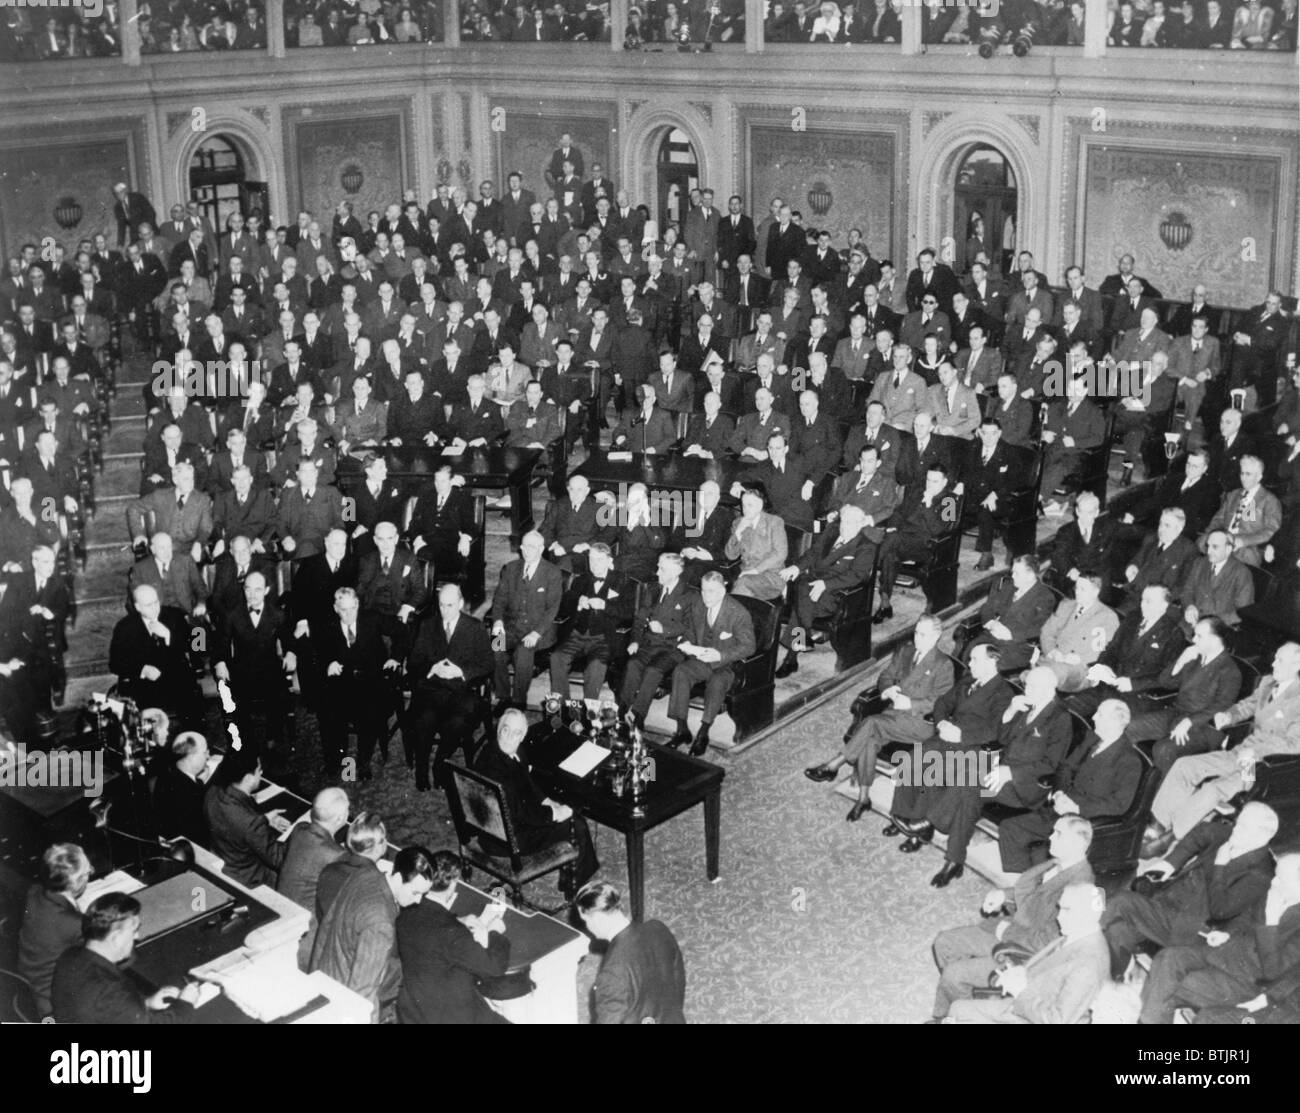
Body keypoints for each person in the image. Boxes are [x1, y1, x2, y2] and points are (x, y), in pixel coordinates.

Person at [1144, 644, 1300, 848]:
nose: (1273, 663)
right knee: (1185, 766)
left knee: (1214, 789)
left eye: (1279, 660)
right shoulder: (1268, 683)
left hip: (1261, 767)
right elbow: (1249, 705)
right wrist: (1230, 715)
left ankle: (1172, 836)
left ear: (1297, 664)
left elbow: (1295, 744)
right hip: (1240, 753)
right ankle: (1158, 825)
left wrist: (1257, 751)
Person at [805, 615, 954, 820]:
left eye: (923, 634)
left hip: (920, 722)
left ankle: (835, 764)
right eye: (916, 632)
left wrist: (911, 703)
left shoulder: (943, 664)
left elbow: (942, 702)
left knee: (871, 723)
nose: (917, 638)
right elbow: (885, 676)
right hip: (893, 715)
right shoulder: (905, 651)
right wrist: (888, 689)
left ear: (936, 636)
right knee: (869, 740)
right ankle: (863, 798)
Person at [1105, 802, 1279, 976]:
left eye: (1243, 827)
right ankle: (1113, 976)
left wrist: (1220, 865)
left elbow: (1221, 910)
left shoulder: (1260, 875)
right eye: (1238, 822)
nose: (1235, 829)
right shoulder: (1231, 836)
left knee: (1121, 900)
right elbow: (1201, 832)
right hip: (1164, 903)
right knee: (1117, 931)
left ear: (1262, 835)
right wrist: (1170, 863)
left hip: (1186, 927)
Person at [1148, 851, 1300, 1026]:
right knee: (1168, 958)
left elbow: (1274, 970)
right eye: (1276, 876)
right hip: (1222, 955)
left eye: (1282, 879)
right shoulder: (1276, 893)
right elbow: (1244, 920)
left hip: (1245, 980)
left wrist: (1271, 923)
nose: (1274, 882)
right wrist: (1227, 933)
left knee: (1170, 986)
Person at [997, 700, 1143, 874]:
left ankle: (1039, 885)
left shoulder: (1129, 760)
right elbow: (1066, 767)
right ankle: (1024, 884)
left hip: (1084, 819)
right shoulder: (1091, 738)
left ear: (1115, 722)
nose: (1094, 717)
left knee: (1043, 850)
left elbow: (1119, 805)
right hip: (1062, 805)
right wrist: (1059, 793)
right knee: (1010, 828)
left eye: (1100, 715)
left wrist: (1078, 808)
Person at [312, 813, 427, 1020]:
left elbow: (326, 927)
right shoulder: (380, 924)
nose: (418, 901)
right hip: (345, 999)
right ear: (399, 877)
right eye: (415, 893)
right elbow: (362, 992)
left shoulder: (365, 874)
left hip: (326, 974)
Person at [946, 883, 1111, 1025]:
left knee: (958, 1013)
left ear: (1088, 915)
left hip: (1033, 1014)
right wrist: (1022, 971)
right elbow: (1050, 962)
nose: (1059, 917)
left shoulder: (1089, 965)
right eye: (1060, 908)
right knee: (957, 1009)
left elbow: (1058, 1020)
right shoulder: (1078, 933)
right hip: (1032, 995)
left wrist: (1020, 991)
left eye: (1067, 910)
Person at [474, 709, 598, 889]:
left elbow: (526, 783)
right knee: (577, 825)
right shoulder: (496, 771)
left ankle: (574, 871)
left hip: (503, 823)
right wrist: (555, 813)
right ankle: (575, 886)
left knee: (559, 800)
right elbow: (523, 813)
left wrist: (547, 800)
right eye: (505, 730)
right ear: (499, 729)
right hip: (507, 839)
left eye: (516, 733)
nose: (509, 737)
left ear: (522, 736)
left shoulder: (501, 750)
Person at [395, 847, 512, 1025]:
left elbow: (431, 929)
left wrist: (458, 920)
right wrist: (495, 931)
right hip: (451, 1016)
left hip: (414, 1012)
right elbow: (494, 967)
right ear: (454, 881)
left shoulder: (406, 909)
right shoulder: (452, 934)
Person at [51, 892, 201, 1024]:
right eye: (134, 930)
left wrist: (145, 1004)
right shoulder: (111, 991)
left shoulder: (70, 955)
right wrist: (185, 1003)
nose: (137, 936)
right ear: (116, 938)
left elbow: (104, 1011)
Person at [407, 584, 495, 790]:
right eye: (442, 605)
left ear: (461, 604)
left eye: (450, 605)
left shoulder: (474, 627)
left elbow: (488, 663)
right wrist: (433, 667)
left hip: (460, 691)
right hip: (431, 689)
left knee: (458, 723)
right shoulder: (428, 625)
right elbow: (413, 662)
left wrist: (461, 672)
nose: (445, 611)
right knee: (423, 721)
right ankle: (421, 770)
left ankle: (440, 764)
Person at [776, 504, 877, 678]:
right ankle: (800, 643)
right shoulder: (832, 532)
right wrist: (796, 567)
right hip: (812, 585)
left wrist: (825, 584)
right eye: (844, 522)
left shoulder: (866, 546)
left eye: (851, 524)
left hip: (836, 594)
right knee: (803, 587)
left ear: (861, 525)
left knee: (801, 597)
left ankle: (792, 656)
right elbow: (813, 553)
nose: (845, 527)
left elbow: (856, 576)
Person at [667, 571, 757, 755]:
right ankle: (682, 728)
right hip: (702, 659)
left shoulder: (737, 612)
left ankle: (704, 731)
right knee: (681, 672)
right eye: (703, 590)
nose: (706, 596)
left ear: (723, 592)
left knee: (717, 683)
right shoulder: (698, 604)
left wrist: (721, 655)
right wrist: (686, 643)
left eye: (712, 591)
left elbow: (749, 647)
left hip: (727, 664)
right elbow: (691, 631)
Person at [576, 880, 686, 1024]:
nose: (587, 927)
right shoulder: (658, 928)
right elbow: (678, 980)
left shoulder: (611, 975)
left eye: (586, 921)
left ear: (597, 918)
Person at [489, 530, 563, 710]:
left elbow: (552, 609)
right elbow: (499, 600)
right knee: (495, 647)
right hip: (511, 628)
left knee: (523, 652)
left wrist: (536, 633)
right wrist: (498, 621)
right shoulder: (510, 568)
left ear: (541, 548)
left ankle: (518, 701)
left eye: (531, 547)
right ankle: (503, 696)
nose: (526, 550)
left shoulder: (552, 573)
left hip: (537, 632)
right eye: (524, 546)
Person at [548, 543, 633, 701]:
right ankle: (565, 708)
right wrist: (578, 602)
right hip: (577, 635)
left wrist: (605, 605)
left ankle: (589, 711)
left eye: (599, 560)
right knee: (557, 658)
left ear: (609, 561)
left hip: (603, 639)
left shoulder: (623, 581)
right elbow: (565, 605)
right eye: (591, 559)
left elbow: (628, 612)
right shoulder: (581, 579)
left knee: (595, 666)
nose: (594, 564)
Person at [277, 786, 349, 970]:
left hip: (281, 917)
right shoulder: (336, 855)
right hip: (307, 936)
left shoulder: (300, 830)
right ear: (340, 819)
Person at [202, 745, 291, 889]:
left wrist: (265, 819)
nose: (261, 772)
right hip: (250, 879)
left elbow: (234, 822)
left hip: (225, 864)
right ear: (249, 778)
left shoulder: (212, 793)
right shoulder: (251, 824)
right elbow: (278, 859)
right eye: (258, 770)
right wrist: (298, 834)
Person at [18, 842, 90, 1019]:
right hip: (52, 1005)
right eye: (88, 873)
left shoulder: (33, 893)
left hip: (29, 991)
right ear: (78, 882)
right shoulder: (74, 924)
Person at [150, 730, 212, 845]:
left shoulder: (168, 775)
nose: (208, 756)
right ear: (191, 757)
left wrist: (199, 782)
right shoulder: (188, 795)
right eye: (205, 752)